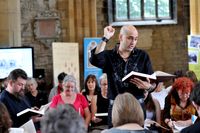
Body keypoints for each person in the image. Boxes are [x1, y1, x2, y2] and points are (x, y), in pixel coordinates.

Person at [90, 25, 156, 127]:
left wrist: (148, 87)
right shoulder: (109, 56)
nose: (133, 42)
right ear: (121, 37)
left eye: (135, 39)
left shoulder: (142, 56)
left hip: (137, 105)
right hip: (116, 105)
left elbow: (153, 84)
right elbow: (95, 59)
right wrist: (105, 38)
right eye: (129, 38)